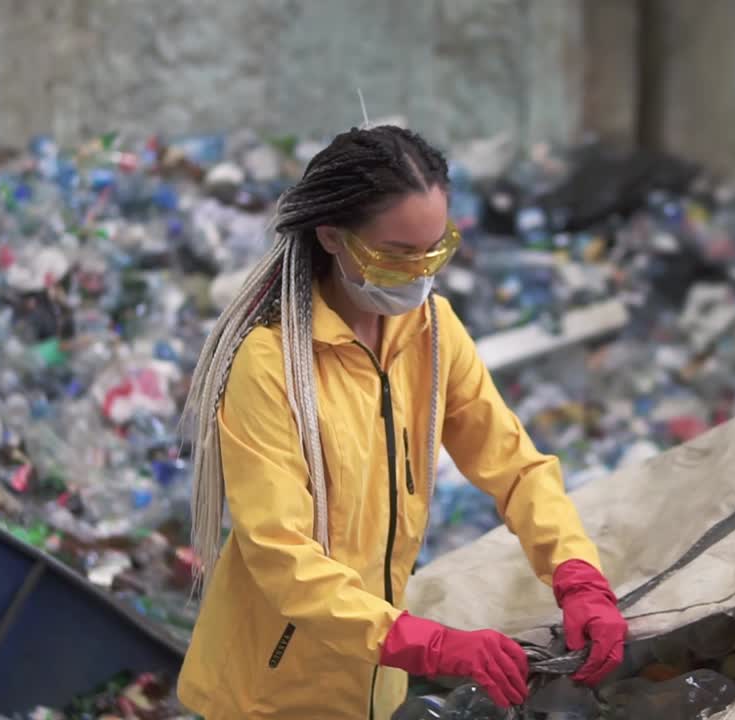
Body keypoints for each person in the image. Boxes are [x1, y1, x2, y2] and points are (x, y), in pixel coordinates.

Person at [177, 125, 627, 719]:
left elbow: (515, 467)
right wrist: (431, 644)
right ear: (332, 237)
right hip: (270, 692)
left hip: (374, 686)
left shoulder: (432, 335)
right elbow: (282, 555)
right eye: (396, 255)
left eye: (434, 252)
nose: (419, 276)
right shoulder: (271, 364)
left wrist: (576, 574)